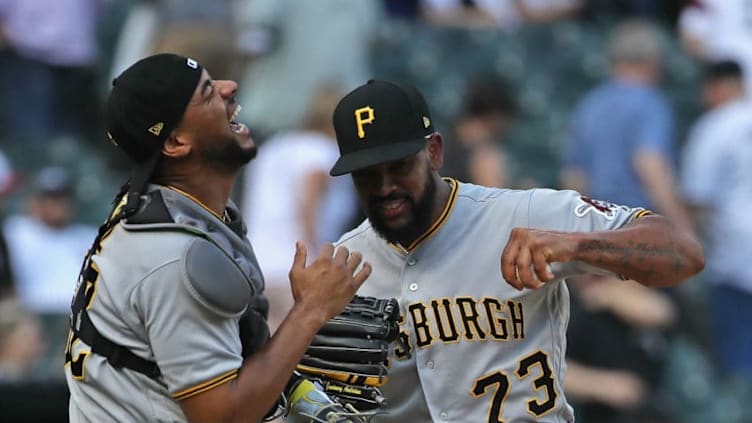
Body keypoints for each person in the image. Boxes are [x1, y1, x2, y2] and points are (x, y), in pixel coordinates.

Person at [326, 79, 704, 422]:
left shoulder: (522, 214)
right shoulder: (345, 266)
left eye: (399, 167)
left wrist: (577, 245)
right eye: (367, 174)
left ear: (435, 152)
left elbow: (683, 253)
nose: (385, 186)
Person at [64, 53, 372, 423]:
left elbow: (243, 347)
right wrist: (310, 311)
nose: (230, 87)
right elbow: (221, 417)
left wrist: (311, 398)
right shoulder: (173, 256)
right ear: (176, 142)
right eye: (207, 93)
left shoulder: (178, 212)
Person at [242, 85, 358, 332]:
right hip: (292, 271)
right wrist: (317, 263)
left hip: (255, 263)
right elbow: (308, 206)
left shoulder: (278, 145)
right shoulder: (322, 152)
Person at [561, 19, 692, 231]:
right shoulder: (650, 103)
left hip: (597, 227)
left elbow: (574, 176)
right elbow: (649, 164)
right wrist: (683, 228)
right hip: (637, 227)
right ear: (651, 63)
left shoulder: (589, 104)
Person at [680, 59, 752, 418]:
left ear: (718, 86)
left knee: (738, 366)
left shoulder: (716, 125)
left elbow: (696, 199)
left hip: (737, 256)